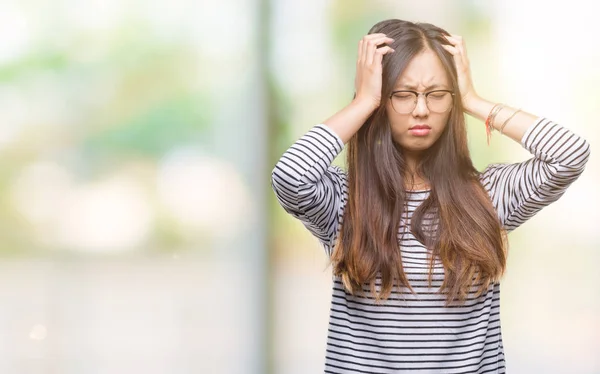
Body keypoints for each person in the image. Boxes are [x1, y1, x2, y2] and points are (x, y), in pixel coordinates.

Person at [270, 19, 590, 373]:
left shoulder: (488, 196)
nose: (421, 109)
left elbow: (569, 154)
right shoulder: (345, 200)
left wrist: (474, 100)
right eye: (403, 94)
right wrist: (363, 102)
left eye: (437, 94)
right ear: (381, 99)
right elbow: (289, 176)